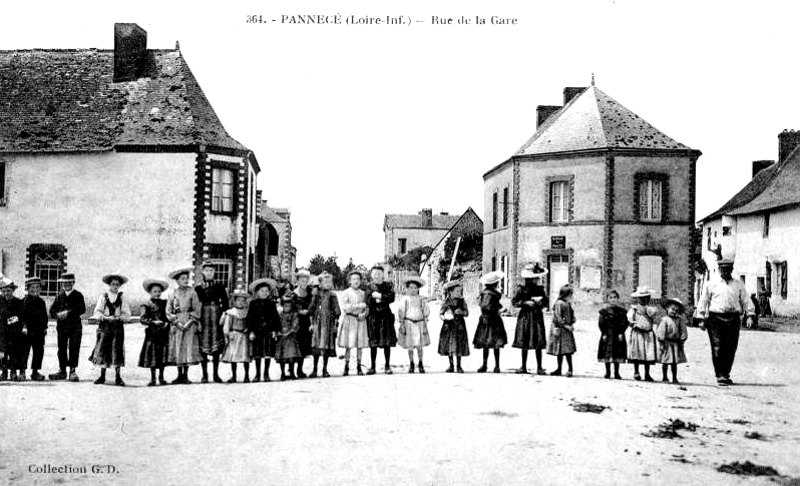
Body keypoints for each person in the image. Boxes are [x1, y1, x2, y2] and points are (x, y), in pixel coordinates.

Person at [697, 259, 755, 386]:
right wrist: (701, 318)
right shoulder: (711, 284)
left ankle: (726, 373)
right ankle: (720, 375)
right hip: (715, 319)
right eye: (723, 269)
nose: (725, 272)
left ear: (732, 270)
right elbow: (703, 301)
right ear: (719, 270)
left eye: (728, 269)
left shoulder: (738, 284)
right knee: (718, 347)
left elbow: (746, 300)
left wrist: (750, 315)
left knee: (731, 347)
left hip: (733, 319)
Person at [89, 274, 132, 386]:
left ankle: (118, 377)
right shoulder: (104, 296)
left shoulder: (122, 297)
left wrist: (119, 317)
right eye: (113, 284)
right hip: (105, 326)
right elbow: (97, 312)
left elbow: (127, 314)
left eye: (117, 284)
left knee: (117, 350)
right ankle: (102, 376)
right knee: (104, 349)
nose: (115, 286)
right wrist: (105, 317)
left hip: (117, 327)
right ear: (109, 284)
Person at [195, 261, 230, 383]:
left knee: (216, 346)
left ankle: (216, 374)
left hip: (216, 316)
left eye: (211, 270)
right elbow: (196, 305)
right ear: (202, 272)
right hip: (204, 316)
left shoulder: (220, 287)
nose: (209, 273)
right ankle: (204, 375)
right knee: (203, 345)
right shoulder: (198, 288)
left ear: (214, 272)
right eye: (207, 270)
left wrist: (224, 315)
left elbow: (226, 303)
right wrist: (198, 320)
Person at [511, 263, 549, 375]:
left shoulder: (539, 289)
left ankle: (539, 367)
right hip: (526, 317)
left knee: (538, 341)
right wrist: (525, 302)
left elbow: (546, 302)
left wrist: (540, 302)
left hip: (537, 316)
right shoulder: (521, 289)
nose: (537, 280)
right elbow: (514, 302)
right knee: (525, 340)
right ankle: (523, 366)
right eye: (535, 278)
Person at [166, 268, 203, 384]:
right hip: (177, 323)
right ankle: (178, 375)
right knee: (178, 347)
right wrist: (176, 322)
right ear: (177, 281)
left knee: (187, 348)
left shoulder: (192, 292)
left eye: (187, 278)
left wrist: (189, 322)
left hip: (189, 323)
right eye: (182, 279)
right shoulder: (173, 294)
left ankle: (185, 375)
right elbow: (168, 310)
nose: (185, 281)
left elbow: (197, 309)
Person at [48, 273, 86, 382]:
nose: (67, 285)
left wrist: (68, 313)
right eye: (64, 283)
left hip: (75, 326)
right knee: (62, 349)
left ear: (73, 283)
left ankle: (72, 371)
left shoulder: (78, 295)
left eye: (69, 283)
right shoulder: (59, 296)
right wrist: (58, 315)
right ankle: (62, 371)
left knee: (74, 348)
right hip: (62, 327)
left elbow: (82, 309)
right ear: (61, 284)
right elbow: (52, 311)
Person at [365, 264, 397, 375]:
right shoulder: (368, 286)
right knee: (373, 342)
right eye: (375, 274)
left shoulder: (388, 285)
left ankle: (387, 366)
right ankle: (372, 366)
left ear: (382, 275)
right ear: (371, 275)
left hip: (385, 316)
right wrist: (382, 299)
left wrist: (379, 296)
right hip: (373, 317)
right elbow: (367, 299)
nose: (377, 276)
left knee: (387, 341)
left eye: (379, 274)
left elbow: (391, 297)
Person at [473, 271, 507, 373]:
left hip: (490, 320)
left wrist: (499, 308)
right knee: (490, 343)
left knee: (490, 344)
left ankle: (490, 365)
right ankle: (490, 365)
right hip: (490, 320)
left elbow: (492, 304)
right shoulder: (489, 294)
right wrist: (498, 311)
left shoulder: (488, 293)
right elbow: (486, 307)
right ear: (494, 284)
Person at [138, 279, 171, 386]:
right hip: (152, 334)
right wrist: (153, 322)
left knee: (162, 354)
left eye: (159, 291)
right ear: (150, 292)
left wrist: (166, 323)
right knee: (152, 355)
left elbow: (168, 316)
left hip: (163, 333)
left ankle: (161, 377)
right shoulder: (146, 304)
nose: (157, 293)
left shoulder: (165, 303)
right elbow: (143, 319)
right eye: (155, 291)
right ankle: (152, 378)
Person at [337, 271, 369, 376]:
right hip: (349, 320)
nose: (356, 281)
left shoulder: (363, 293)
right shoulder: (346, 292)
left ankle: (359, 367)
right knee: (349, 344)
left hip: (360, 320)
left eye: (358, 279)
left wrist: (364, 314)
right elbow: (345, 307)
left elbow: (367, 307)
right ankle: (346, 367)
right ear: (349, 281)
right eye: (354, 279)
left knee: (359, 344)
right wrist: (359, 306)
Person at [309, 271, 341, 377]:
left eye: (329, 281)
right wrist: (311, 324)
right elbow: (311, 310)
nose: (327, 284)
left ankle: (325, 369)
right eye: (325, 281)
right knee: (316, 346)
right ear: (320, 283)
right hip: (317, 323)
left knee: (326, 346)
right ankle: (314, 369)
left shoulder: (332, 295)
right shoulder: (316, 294)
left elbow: (337, 312)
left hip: (328, 323)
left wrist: (335, 325)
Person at [248, 277, 280, 382]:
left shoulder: (271, 304)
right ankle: (257, 374)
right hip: (257, 331)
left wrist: (275, 330)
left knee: (267, 353)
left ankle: (266, 373)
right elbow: (250, 318)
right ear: (257, 292)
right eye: (262, 291)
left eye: (266, 291)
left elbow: (275, 318)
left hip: (268, 330)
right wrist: (251, 331)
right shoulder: (253, 304)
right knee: (258, 353)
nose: (264, 293)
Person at [397, 276, 431, 373]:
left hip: (419, 323)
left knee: (420, 346)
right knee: (410, 346)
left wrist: (425, 325)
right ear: (407, 288)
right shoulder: (405, 299)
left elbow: (425, 312)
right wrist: (402, 324)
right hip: (409, 323)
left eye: (415, 288)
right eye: (411, 288)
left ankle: (420, 363)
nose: (413, 290)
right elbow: (401, 312)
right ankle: (411, 363)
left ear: (418, 289)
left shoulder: (421, 299)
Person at [19, 277, 48, 381]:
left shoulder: (41, 302)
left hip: (39, 332)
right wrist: (23, 326)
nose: (34, 289)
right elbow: (21, 317)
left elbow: (45, 317)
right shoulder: (23, 301)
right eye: (32, 287)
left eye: (37, 287)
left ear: (40, 289)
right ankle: (22, 372)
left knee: (38, 351)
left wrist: (45, 327)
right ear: (27, 288)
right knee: (24, 351)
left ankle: (35, 372)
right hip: (26, 331)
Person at [627, 286, 659, 382]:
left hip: (648, 334)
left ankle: (647, 373)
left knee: (648, 354)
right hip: (637, 333)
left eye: (646, 298)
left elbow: (654, 317)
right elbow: (629, 318)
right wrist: (632, 322)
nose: (644, 300)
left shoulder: (651, 309)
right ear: (637, 298)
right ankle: (636, 372)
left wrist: (648, 310)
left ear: (649, 298)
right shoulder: (634, 309)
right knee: (637, 352)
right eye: (641, 298)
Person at [438, 280, 470, 373]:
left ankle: (459, 365)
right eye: (457, 291)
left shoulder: (462, 301)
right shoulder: (446, 302)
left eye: (460, 291)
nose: (459, 293)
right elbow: (441, 313)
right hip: (448, 326)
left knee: (459, 345)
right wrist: (444, 317)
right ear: (450, 292)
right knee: (449, 344)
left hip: (459, 325)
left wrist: (462, 312)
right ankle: (451, 365)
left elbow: (467, 313)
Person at [221, 288, 253, 383]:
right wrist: (227, 334)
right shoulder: (231, 312)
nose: (240, 302)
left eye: (243, 300)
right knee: (234, 357)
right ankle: (234, 376)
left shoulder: (247, 312)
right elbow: (226, 325)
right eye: (238, 300)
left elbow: (250, 322)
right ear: (234, 301)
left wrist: (249, 329)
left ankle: (246, 375)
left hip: (244, 336)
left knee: (245, 357)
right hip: (234, 335)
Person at [656, 297, 688, 384]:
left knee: (674, 362)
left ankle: (674, 378)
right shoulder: (664, 320)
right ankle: (664, 377)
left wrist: (682, 338)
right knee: (665, 361)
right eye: (672, 309)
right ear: (667, 308)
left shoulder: (680, 320)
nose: (674, 312)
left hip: (675, 344)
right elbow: (661, 331)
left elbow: (683, 330)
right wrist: (661, 340)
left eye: (676, 310)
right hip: (667, 343)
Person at [597, 290, 628, 379]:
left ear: (617, 299)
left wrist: (621, 332)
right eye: (610, 298)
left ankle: (617, 372)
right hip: (608, 334)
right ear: (607, 299)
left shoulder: (622, 312)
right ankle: (608, 372)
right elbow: (601, 323)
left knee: (617, 352)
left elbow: (624, 323)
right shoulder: (604, 312)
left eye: (615, 297)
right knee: (607, 352)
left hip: (617, 335)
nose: (613, 299)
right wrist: (604, 333)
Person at [547, 285, 577, 377]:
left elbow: (572, 315)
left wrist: (572, 321)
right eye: (570, 294)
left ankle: (570, 369)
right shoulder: (559, 303)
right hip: (560, 330)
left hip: (567, 331)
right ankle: (559, 368)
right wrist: (565, 325)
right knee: (559, 351)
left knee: (568, 351)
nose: (571, 296)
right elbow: (557, 317)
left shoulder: (568, 303)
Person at [0, 278, 24, 381]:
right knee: (2, 353)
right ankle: (4, 372)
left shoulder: (18, 302)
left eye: (9, 291)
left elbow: (22, 316)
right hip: (2, 332)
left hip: (14, 332)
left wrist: (15, 320)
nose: (6, 293)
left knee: (14, 352)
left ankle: (13, 371)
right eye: (4, 291)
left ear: (13, 291)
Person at [292, 269, 314, 378]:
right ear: (297, 281)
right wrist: (298, 311)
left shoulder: (310, 292)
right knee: (295, 345)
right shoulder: (292, 294)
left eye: (306, 281)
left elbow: (314, 304)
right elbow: (287, 307)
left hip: (307, 322)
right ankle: (292, 370)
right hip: (296, 322)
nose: (304, 283)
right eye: (302, 281)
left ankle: (300, 369)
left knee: (305, 346)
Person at [276, 294, 302, 380]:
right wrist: (278, 332)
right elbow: (276, 324)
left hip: (291, 338)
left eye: (289, 306)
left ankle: (292, 371)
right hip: (282, 338)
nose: (287, 308)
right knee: (282, 356)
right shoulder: (279, 315)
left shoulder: (294, 315)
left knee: (291, 355)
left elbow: (296, 325)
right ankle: (282, 373)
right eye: (285, 306)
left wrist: (290, 332)